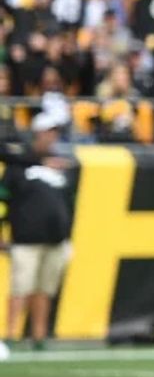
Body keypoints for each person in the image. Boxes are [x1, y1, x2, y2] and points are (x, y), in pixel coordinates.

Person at [1, 110, 75, 350]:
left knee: (45, 290)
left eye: (55, 133)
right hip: (26, 239)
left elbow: (66, 203)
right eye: (49, 132)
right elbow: (3, 199)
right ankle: (9, 335)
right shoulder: (17, 166)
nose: (53, 137)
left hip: (56, 240)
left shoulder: (58, 167)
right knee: (21, 288)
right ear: (38, 133)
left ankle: (39, 337)